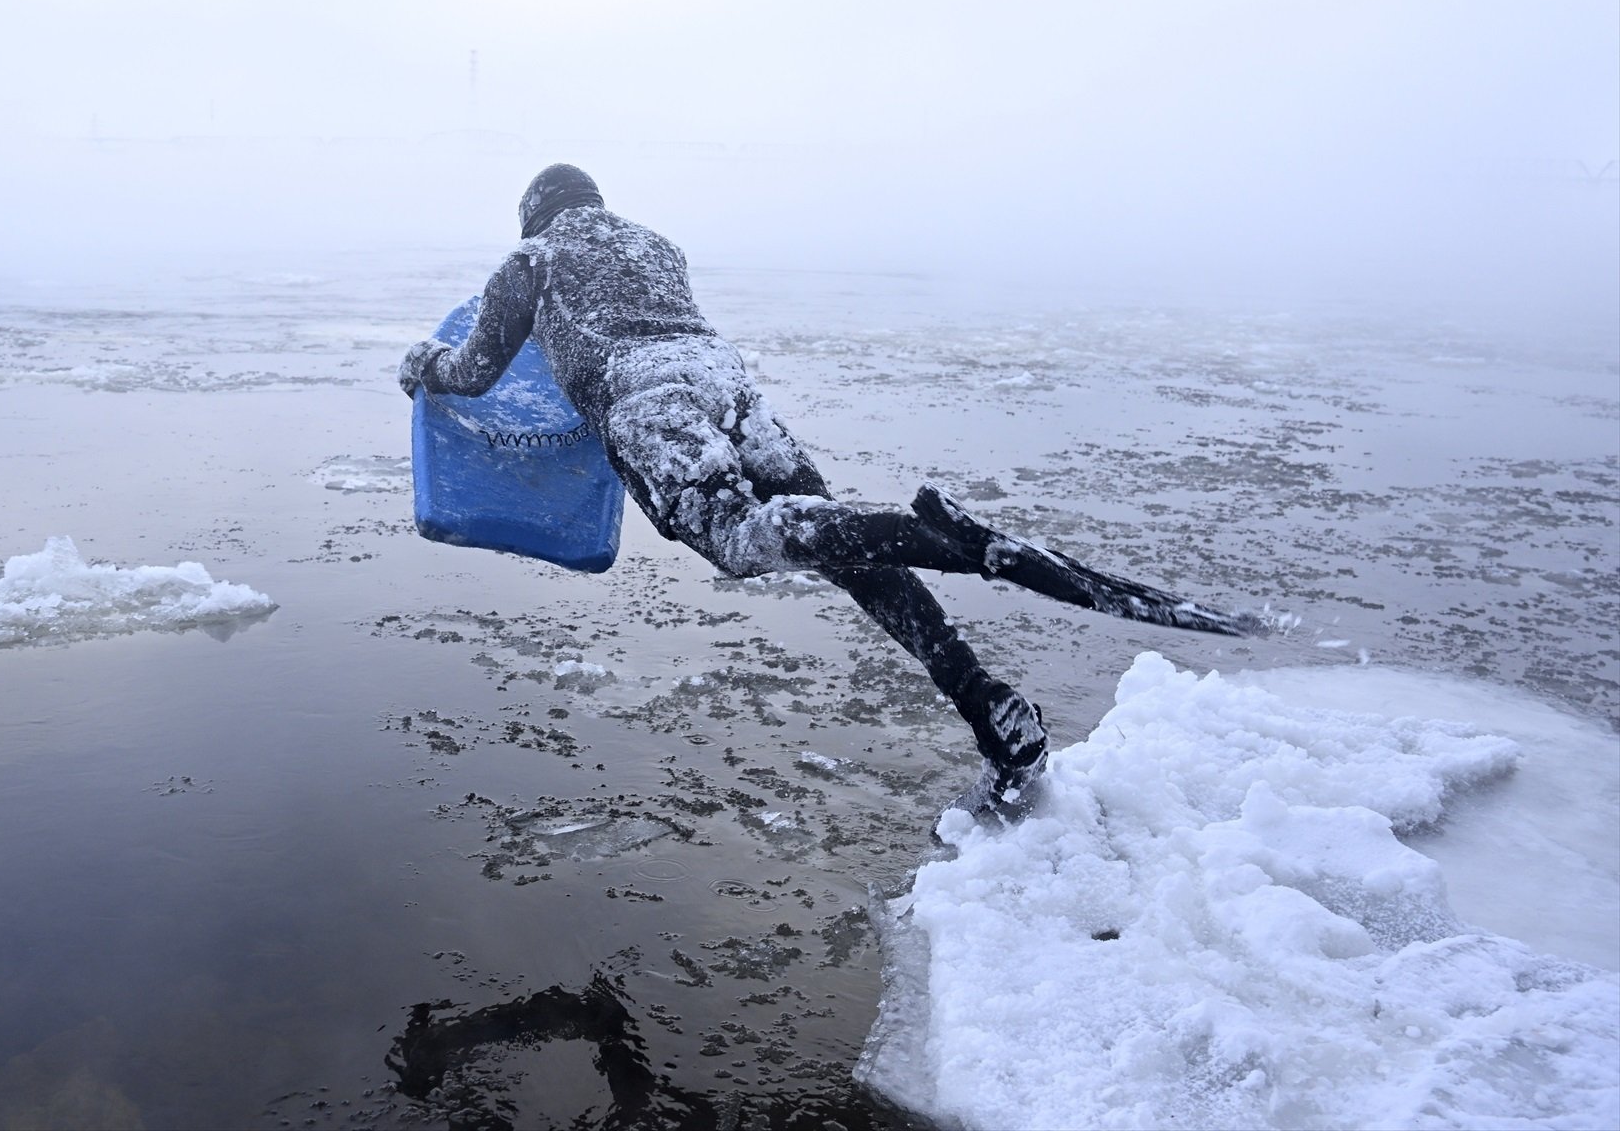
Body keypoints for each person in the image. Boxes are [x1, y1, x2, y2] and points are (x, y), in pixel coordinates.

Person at [401, 165, 1253, 803]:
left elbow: (477, 370)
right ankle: (986, 702)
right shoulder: (654, 244)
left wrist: (422, 366)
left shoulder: (533, 256)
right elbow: (629, 322)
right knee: (847, 552)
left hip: (646, 395)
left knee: (740, 538)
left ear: (533, 213)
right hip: (726, 383)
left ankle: (937, 537)